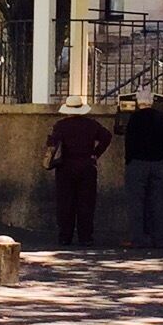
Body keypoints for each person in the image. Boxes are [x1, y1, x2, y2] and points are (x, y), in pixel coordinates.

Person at [45, 97, 112, 246]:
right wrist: (96, 153)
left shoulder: (61, 125)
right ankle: (85, 236)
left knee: (65, 202)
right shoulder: (91, 124)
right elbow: (107, 136)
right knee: (86, 202)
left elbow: (52, 144)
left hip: (65, 167)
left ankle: (65, 236)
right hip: (87, 166)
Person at [122, 92, 163, 250]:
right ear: (152, 102)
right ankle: (160, 239)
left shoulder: (135, 118)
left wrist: (129, 159)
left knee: (136, 203)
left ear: (138, 102)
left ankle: (138, 239)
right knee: (158, 203)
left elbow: (129, 140)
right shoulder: (161, 117)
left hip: (137, 163)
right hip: (157, 163)